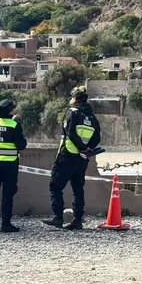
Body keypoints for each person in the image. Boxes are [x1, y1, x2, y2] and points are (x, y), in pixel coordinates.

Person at [43, 88, 101, 230]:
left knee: (55, 186)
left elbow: (70, 132)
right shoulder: (93, 118)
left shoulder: (72, 112)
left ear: (75, 100)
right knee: (77, 189)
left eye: (71, 98)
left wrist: (80, 147)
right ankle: (77, 220)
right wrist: (87, 148)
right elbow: (97, 138)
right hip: (82, 158)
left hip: (67, 155)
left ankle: (58, 217)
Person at [0, 98, 27, 233]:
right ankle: (5, 224)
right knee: (8, 194)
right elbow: (21, 145)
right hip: (9, 164)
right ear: (11, 111)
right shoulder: (14, 125)